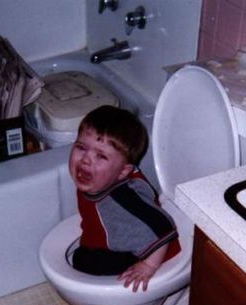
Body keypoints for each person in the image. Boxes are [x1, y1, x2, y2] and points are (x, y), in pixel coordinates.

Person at [69, 105, 180, 292]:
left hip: (153, 251)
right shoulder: (102, 178)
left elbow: (163, 229)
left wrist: (148, 266)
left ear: (123, 172)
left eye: (101, 156)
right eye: (81, 147)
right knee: (82, 257)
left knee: (82, 262)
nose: (86, 160)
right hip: (121, 230)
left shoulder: (120, 201)